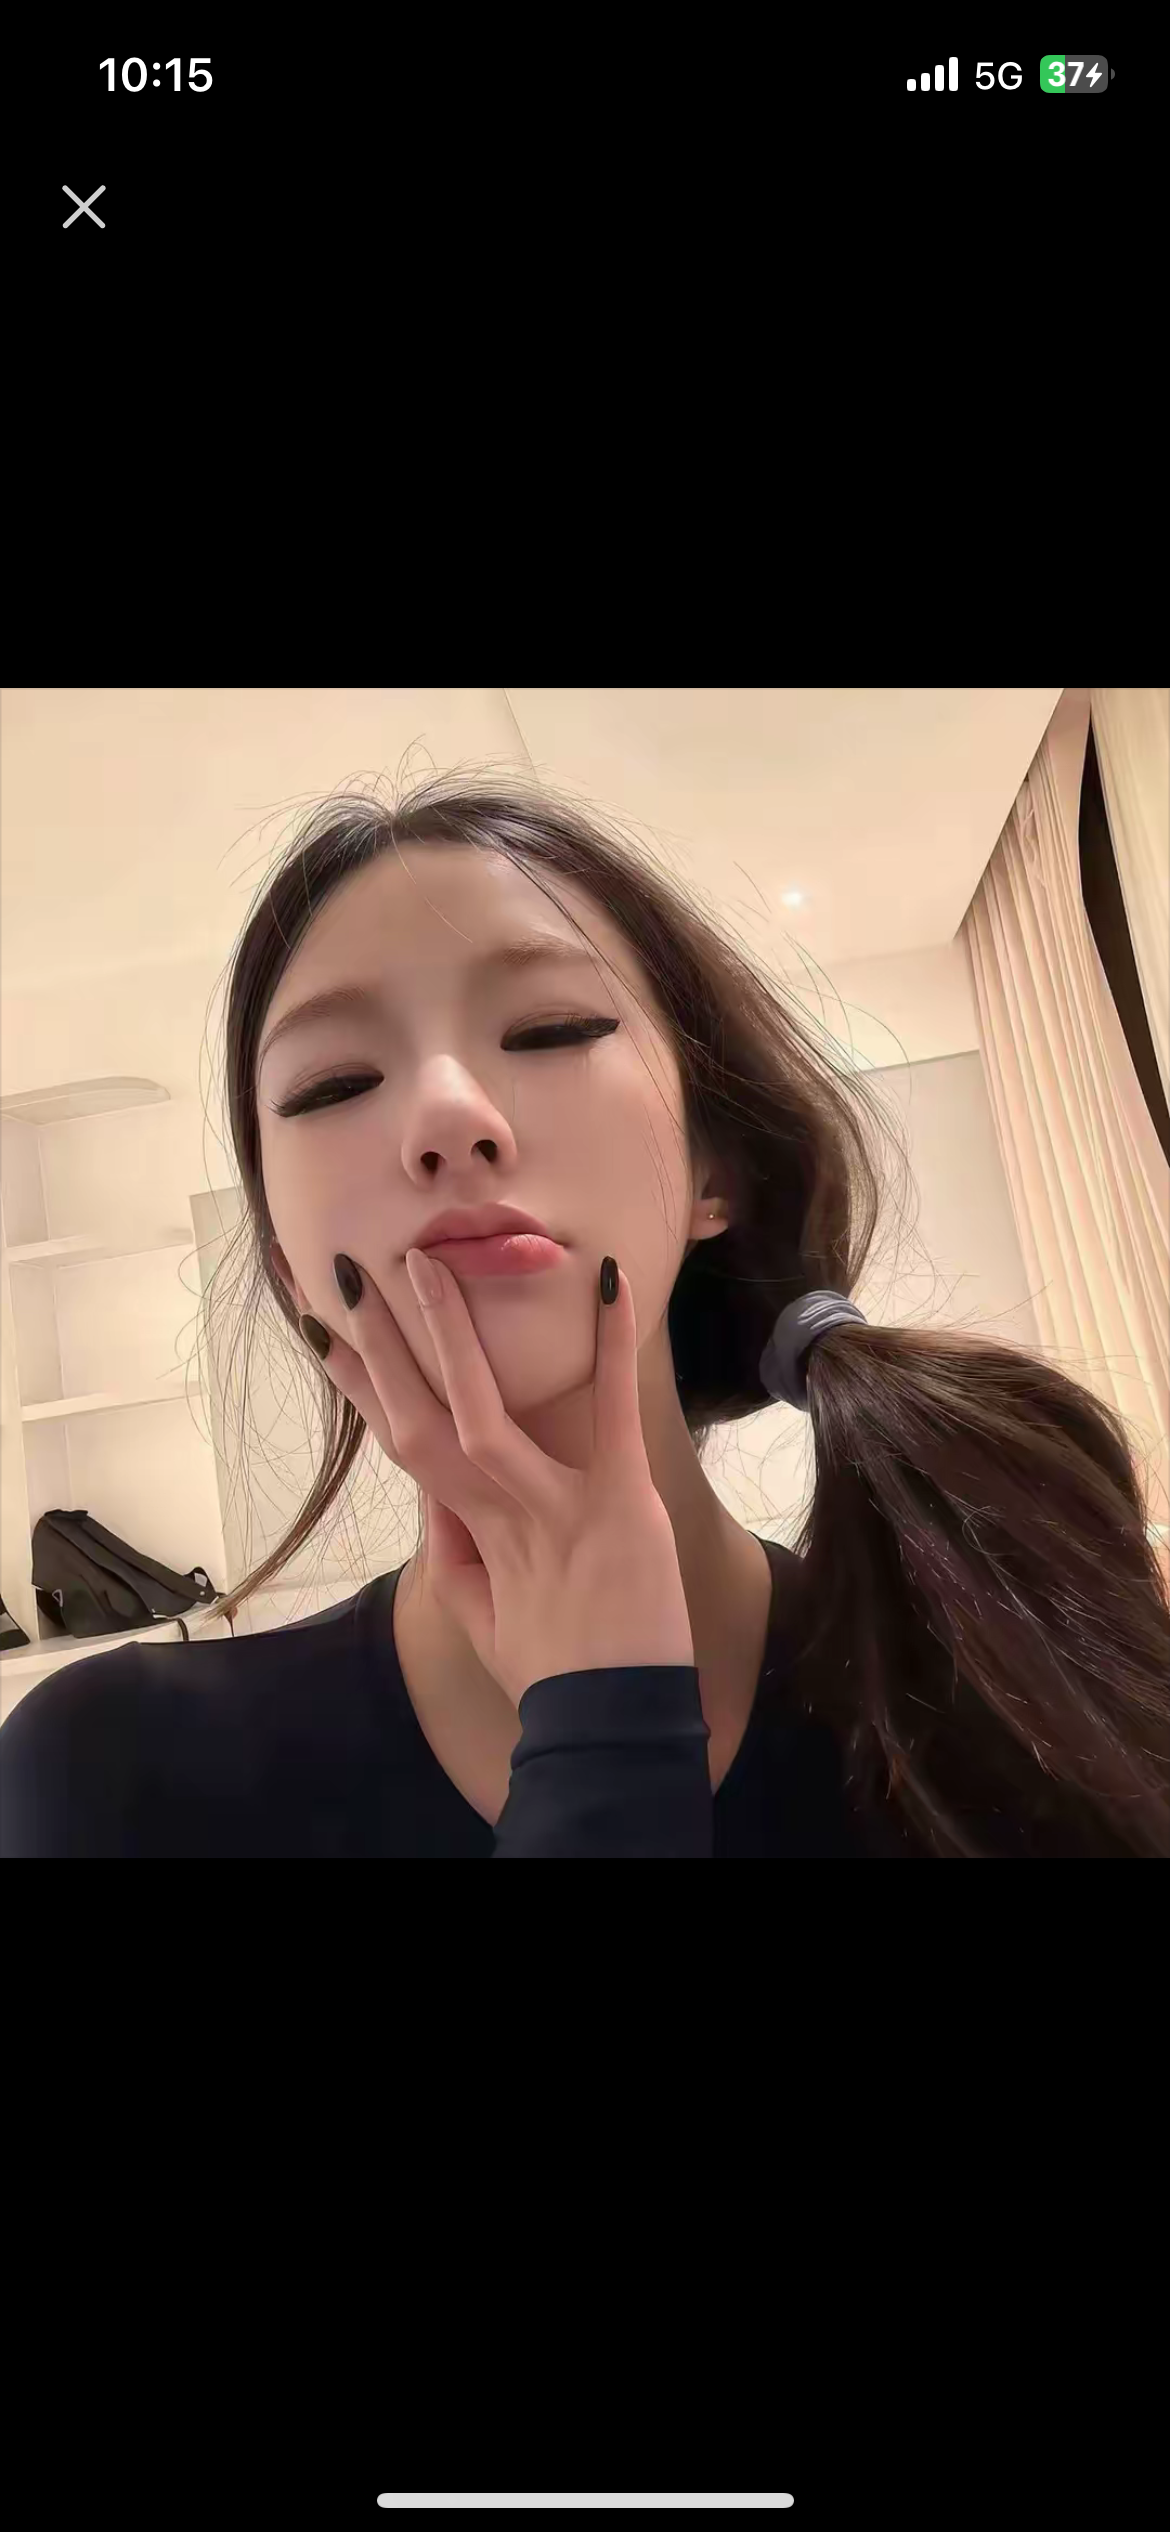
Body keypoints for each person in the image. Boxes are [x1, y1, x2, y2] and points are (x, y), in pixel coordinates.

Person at [2, 775, 1168, 1857]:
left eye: (552, 1029)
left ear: (716, 1170)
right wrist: (603, 1736)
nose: (447, 1117)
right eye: (334, 1084)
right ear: (290, 1268)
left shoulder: (1003, 1701)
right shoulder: (107, 1771)